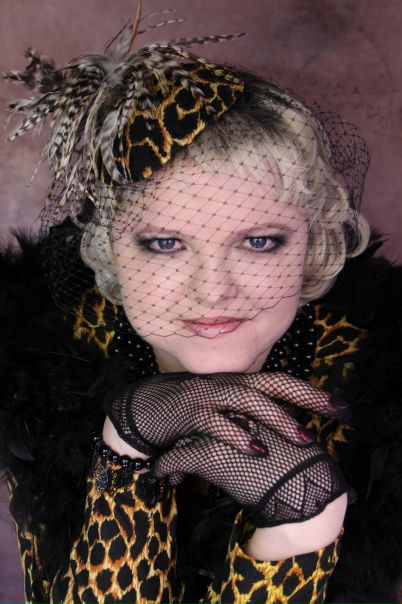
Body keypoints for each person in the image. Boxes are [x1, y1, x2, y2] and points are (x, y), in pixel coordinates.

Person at [1, 9, 402, 604]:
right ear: (109, 253)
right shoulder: (43, 370)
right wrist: (123, 454)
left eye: (258, 241)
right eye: (165, 244)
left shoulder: (379, 385)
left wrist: (301, 529)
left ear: (313, 247)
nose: (213, 290)